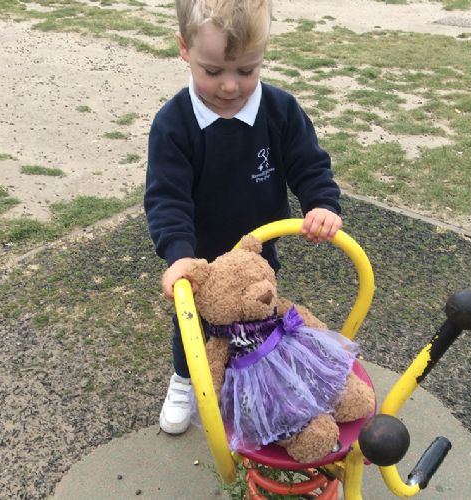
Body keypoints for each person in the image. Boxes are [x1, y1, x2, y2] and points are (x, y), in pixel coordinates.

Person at [145, 0, 343, 435]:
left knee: (259, 316)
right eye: (213, 71)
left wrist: (322, 204)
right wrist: (178, 254)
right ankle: (186, 379)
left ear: (263, 56)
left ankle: (258, 379)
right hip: (199, 256)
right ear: (184, 48)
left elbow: (309, 165)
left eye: (247, 70)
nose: (231, 86)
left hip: (258, 248)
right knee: (193, 324)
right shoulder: (174, 125)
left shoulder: (279, 110)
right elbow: (167, 198)